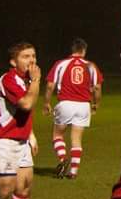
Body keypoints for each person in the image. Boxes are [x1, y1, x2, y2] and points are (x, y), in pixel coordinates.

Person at [0, 42, 45, 199]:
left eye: (33, 56)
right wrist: (37, 80)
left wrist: (30, 135)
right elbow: (27, 104)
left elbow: (21, 114)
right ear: (13, 62)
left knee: (24, 186)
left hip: (20, 141)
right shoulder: (9, 79)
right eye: (26, 56)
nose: (32, 60)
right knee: (3, 189)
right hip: (3, 141)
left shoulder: (24, 81)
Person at [43, 38, 103, 179]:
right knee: (76, 139)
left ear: (73, 50)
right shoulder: (91, 66)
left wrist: (46, 102)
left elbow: (50, 85)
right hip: (83, 105)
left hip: (65, 103)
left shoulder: (61, 64)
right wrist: (96, 103)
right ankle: (73, 172)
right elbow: (97, 87)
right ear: (84, 50)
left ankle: (63, 159)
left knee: (57, 135)